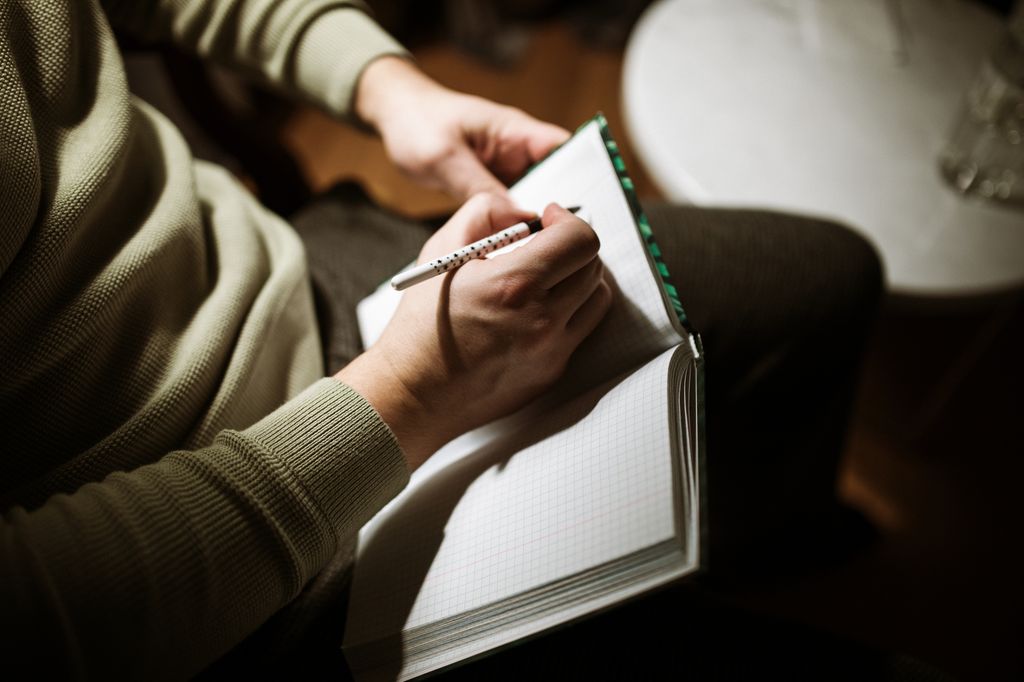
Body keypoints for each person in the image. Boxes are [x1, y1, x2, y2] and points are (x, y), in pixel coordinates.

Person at [0, 0, 883, 678]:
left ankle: (753, 546)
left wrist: (391, 89)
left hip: (307, 280)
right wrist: (414, 389)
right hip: (232, 567)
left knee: (826, 279)